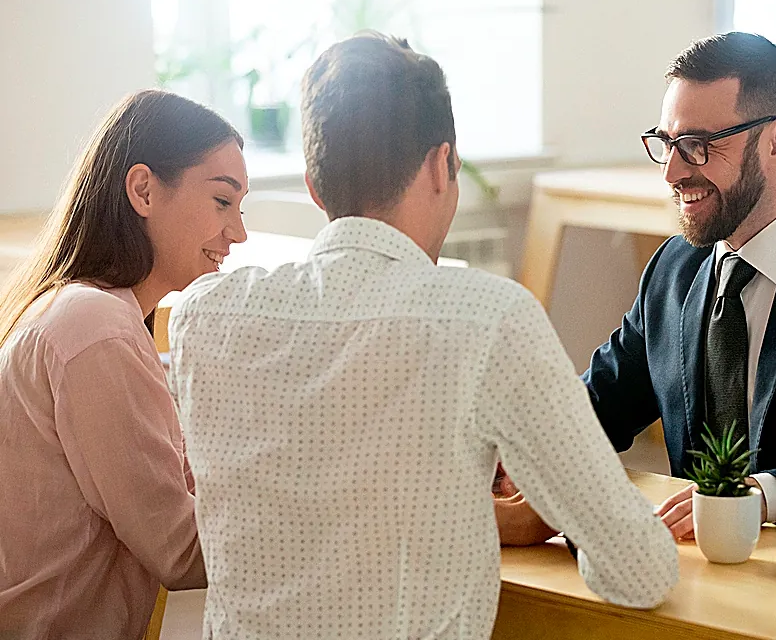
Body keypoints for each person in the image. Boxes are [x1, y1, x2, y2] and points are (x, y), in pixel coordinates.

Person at [167, 32, 678, 640]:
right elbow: (640, 569)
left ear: (314, 185)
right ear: (442, 165)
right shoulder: (489, 320)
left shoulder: (205, 315)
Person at [500, 31, 776, 544]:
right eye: (666, 144)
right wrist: (509, 454)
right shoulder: (673, 270)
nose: (673, 172)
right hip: (687, 577)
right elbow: (596, 405)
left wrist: (761, 496)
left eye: (697, 147)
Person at [0, 89, 248, 639]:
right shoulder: (95, 327)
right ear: (143, 190)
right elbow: (182, 552)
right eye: (222, 202)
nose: (238, 232)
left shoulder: (84, 312)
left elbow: (178, 488)